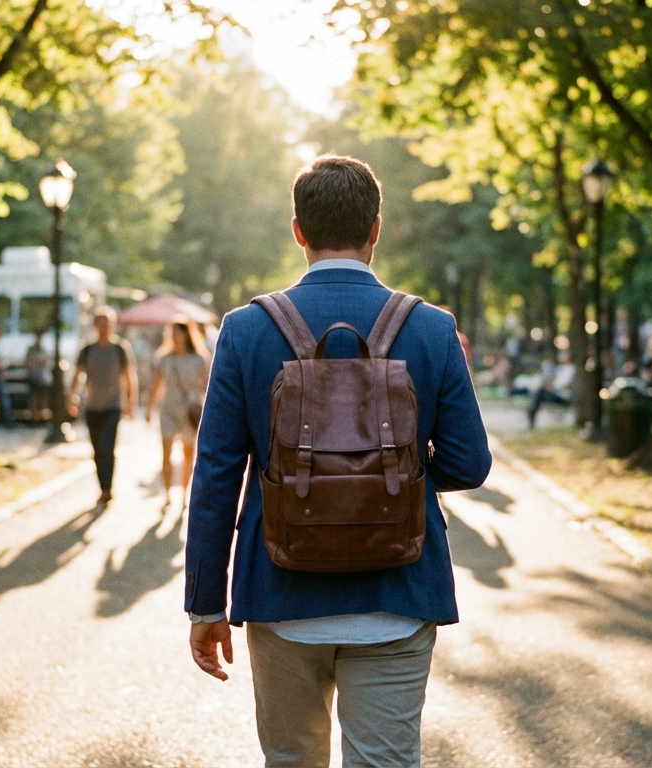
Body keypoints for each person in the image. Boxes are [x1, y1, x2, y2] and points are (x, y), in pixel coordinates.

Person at [184, 155, 492, 767]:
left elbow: (216, 475)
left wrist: (206, 604)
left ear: (298, 231)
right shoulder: (431, 329)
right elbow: (469, 462)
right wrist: (392, 476)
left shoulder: (245, 330)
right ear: (376, 228)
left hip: (281, 595)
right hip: (398, 594)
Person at [68, 306, 137, 507]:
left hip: (113, 405)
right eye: (100, 323)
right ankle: (102, 487)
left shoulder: (120, 348)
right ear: (95, 325)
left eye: (107, 323)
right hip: (92, 406)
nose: (104, 327)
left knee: (107, 446)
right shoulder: (87, 349)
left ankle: (107, 489)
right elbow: (77, 375)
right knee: (97, 449)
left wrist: (131, 402)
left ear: (113, 325)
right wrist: (72, 397)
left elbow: (129, 377)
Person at [145, 317, 210, 508]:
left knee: (188, 455)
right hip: (168, 410)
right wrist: (149, 409)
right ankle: (167, 495)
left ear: (186, 334)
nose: (175, 336)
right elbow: (156, 386)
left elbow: (207, 387)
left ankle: (183, 494)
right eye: (172, 332)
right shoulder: (164, 358)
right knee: (166, 454)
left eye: (178, 332)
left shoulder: (198, 358)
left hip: (190, 411)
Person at [25, 332, 50, 420]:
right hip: (33, 377)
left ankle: (41, 413)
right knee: (34, 396)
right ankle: (34, 415)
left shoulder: (44, 350)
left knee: (43, 395)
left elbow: (46, 361)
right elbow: (28, 364)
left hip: (42, 378)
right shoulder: (30, 350)